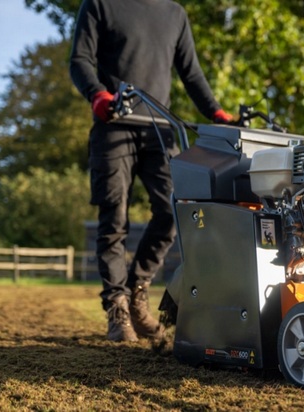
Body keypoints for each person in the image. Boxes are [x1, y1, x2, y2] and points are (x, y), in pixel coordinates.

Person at [69, 0, 233, 342]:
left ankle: (137, 291)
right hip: (113, 125)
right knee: (114, 217)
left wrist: (217, 113)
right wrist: (98, 95)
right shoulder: (99, 5)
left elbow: (191, 72)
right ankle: (117, 306)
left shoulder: (174, 13)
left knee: (173, 209)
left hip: (160, 130)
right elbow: (80, 59)